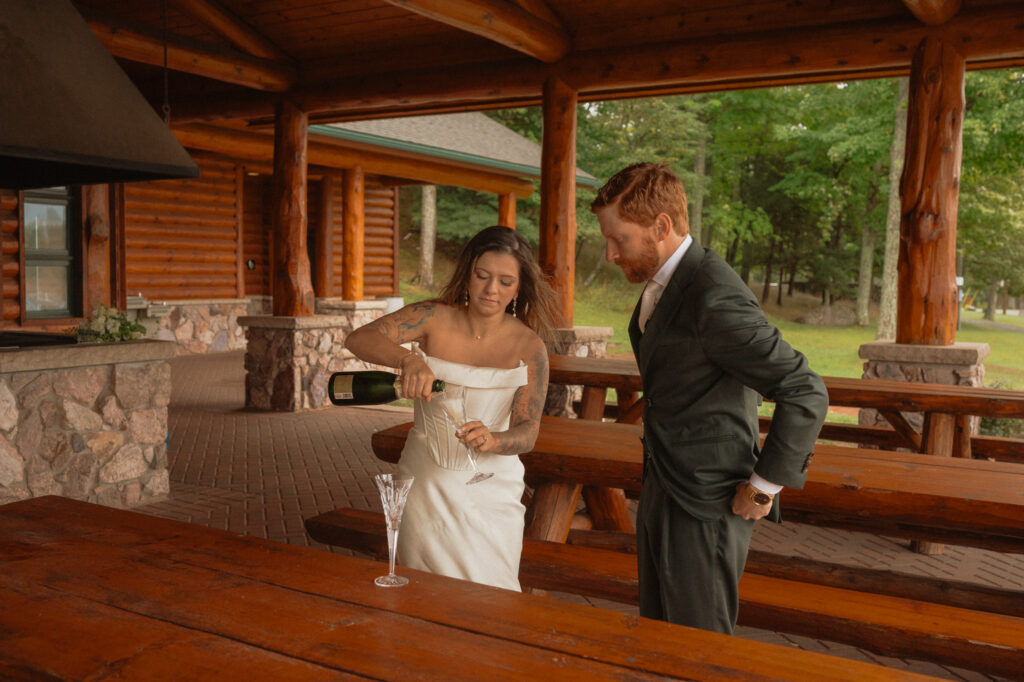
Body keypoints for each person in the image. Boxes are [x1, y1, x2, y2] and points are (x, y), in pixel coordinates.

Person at [591, 162, 828, 634]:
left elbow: (805, 390)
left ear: (661, 226)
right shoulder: (668, 281)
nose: (610, 254)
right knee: (662, 633)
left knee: (701, 646)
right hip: (665, 481)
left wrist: (763, 487)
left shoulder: (714, 294)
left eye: (619, 239)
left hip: (709, 501)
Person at [345, 225, 557, 591]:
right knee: (421, 593)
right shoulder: (433, 317)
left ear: (519, 287)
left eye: (506, 282)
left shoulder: (530, 347)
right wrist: (406, 361)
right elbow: (359, 337)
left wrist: (495, 440)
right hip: (424, 482)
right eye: (482, 276)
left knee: (494, 595)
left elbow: (528, 430)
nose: (492, 290)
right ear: (467, 273)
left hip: (491, 491)